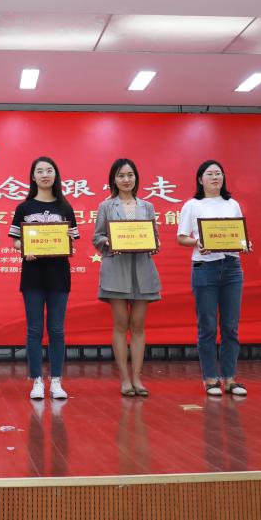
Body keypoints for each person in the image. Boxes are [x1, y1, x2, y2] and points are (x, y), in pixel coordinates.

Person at [177, 160, 252, 398]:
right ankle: (210, 378)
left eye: (218, 173)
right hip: (204, 267)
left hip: (232, 267)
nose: (215, 177)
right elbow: (181, 237)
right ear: (200, 179)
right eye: (209, 174)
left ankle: (229, 378)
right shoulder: (192, 205)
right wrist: (198, 242)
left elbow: (239, 234)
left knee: (230, 326)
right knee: (207, 326)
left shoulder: (232, 204)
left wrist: (245, 244)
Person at [9, 156, 80, 400]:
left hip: (59, 274)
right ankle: (37, 380)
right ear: (33, 177)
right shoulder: (24, 208)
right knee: (34, 329)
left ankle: (56, 381)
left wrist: (66, 242)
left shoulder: (65, 207)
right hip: (33, 274)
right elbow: (16, 240)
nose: (45, 174)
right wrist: (25, 248)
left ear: (55, 175)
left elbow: (72, 240)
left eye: (49, 170)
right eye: (40, 171)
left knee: (57, 329)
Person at [92, 158, 161, 397]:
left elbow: (155, 237)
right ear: (113, 179)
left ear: (136, 178)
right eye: (121, 175)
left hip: (142, 269)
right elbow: (97, 237)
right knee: (121, 324)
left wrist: (154, 244)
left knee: (138, 325)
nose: (126, 179)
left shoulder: (147, 206)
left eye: (130, 175)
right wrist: (110, 241)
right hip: (116, 269)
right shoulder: (106, 206)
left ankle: (137, 378)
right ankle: (124, 379)